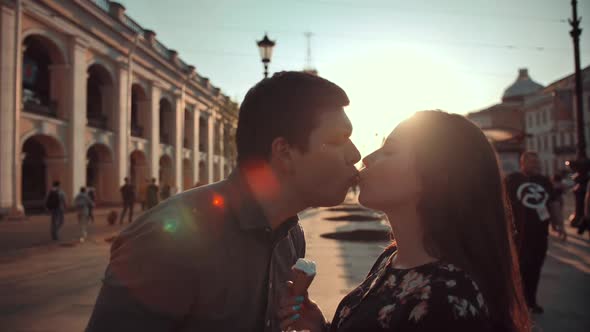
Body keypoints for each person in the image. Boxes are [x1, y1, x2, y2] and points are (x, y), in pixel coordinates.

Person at [85, 71, 361, 331]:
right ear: (285, 151)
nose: (356, 155)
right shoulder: (167, 240)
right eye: (339, 140)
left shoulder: (290, 235)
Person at [279, 111, 530, 332]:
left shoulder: (445, 302)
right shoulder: (393, 259)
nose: (365, 158)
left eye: (389, 150)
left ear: (435, 175)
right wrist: (319, 326)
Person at [505, 152, 566, 314]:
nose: (536, 165)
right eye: (532, 162)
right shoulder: (512, 180)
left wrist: (559, 225)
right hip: (518, 235)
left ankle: (530, 301)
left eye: (537, 162)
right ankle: (516, 302)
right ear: (522, 163)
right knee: (519, 269)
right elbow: (502, 203)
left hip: (540, 235)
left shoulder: (544, 181)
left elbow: (553, 204)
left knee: (535, 268)